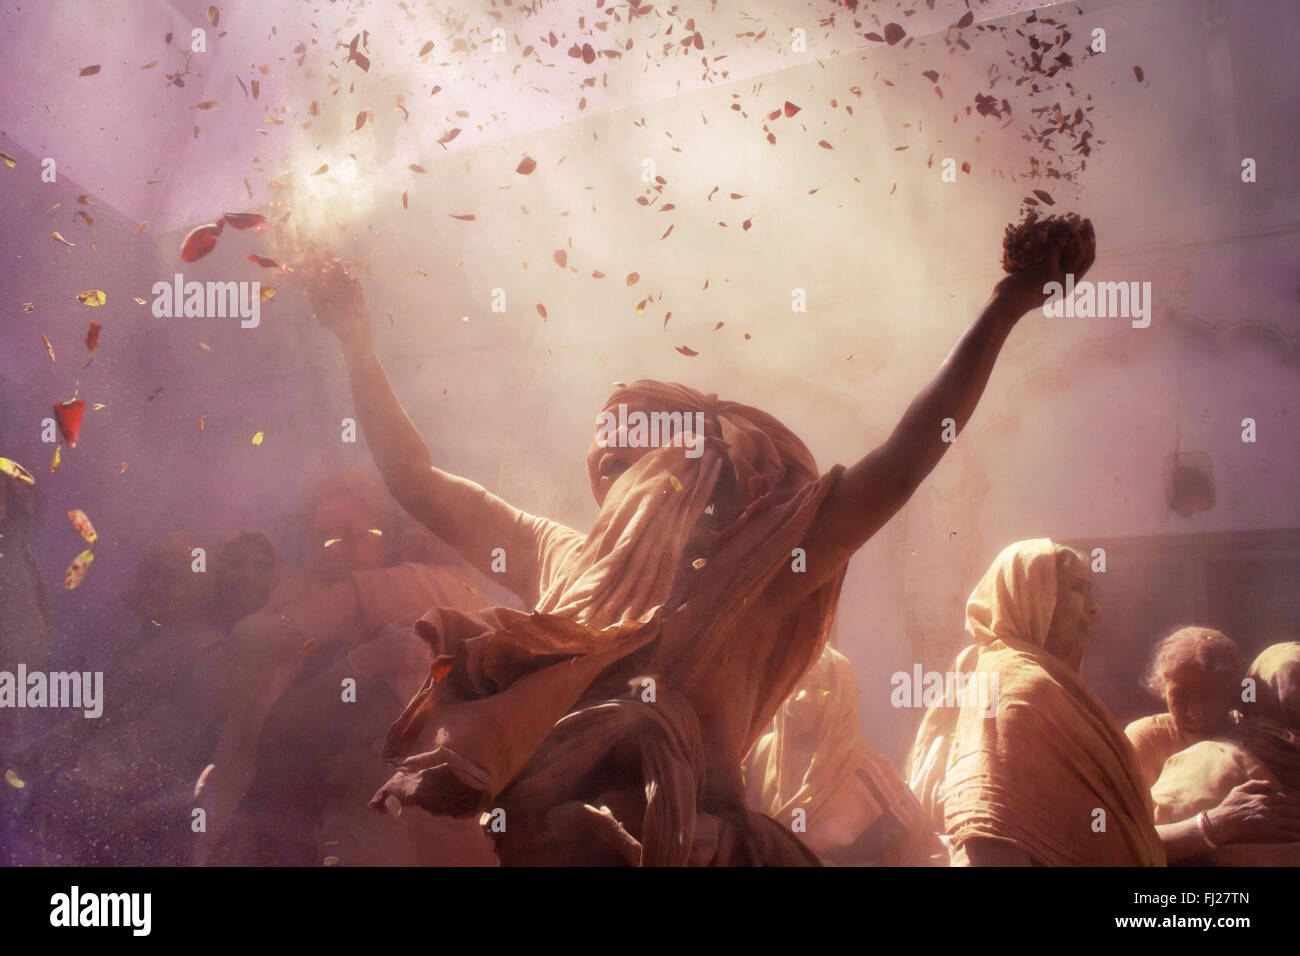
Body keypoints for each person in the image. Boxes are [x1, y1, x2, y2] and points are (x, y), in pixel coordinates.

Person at [300, 216, 1098, 866]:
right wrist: (354, 340)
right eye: (603, 455)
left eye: (635, 452)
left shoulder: (761, 571)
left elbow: (902, 463)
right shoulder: (557, 555)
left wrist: (1005, 308)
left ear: (699, 462)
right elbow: (416, 482)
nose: (613, 469)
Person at [195, 470, 497, 866]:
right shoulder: (299, 591)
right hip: (278, 811)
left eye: (355, 537)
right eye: (326, 538)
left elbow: (288, 706)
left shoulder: (392, 589)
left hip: (384, 824)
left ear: (386, 539)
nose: (337, 549)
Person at [745, 644, 941, 865]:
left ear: (841, 698)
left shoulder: (864, 766)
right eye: (796, 684)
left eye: (818, 688)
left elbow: (918, 833)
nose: (802, 697)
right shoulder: (762, 753)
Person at [1143, 640, 1300, 864]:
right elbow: (1121, 844)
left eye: (1209, 697)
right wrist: (1212, 825)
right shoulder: (1210, 760)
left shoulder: (1213, 755)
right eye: (1180, 695)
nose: (1195, 712)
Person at [208, 529, 280, 635]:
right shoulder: (196, 635)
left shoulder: (281, 632)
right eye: (236, 564)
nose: (248, 575)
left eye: (260, 566)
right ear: (219, 570)